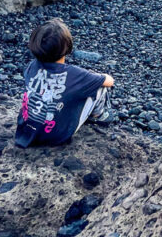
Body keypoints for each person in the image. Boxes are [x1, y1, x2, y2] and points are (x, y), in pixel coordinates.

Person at [14, 18, 114, 148]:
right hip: (56, 136)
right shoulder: (75, 74)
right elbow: (109, 81)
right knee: (99, 86)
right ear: (67, 47)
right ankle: (98, 116)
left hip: (25, 131)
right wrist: (94, 76)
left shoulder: (32, 66)